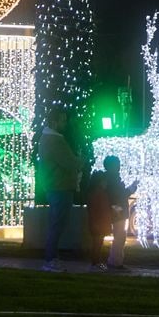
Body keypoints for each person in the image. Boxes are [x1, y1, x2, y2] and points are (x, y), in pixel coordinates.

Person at [37, 106, 83, 272]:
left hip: (56, 186)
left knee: (56, 224)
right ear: (54, 122)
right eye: (62, 120)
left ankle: (52, 258)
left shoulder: (48, 139)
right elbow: (70, 162)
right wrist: (80, 160)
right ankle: (50, 260)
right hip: (60, 187)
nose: (65, 123)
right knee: (57, 225)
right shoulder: (55, 140)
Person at [104, 155, 137, 270]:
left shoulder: (109, 178)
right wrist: (132, 188)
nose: (119, 166)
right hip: (118, 211)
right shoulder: (113, 179)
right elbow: (120, 194)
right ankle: (115, 262)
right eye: (117, 164)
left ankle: (115, 261)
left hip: (117, 210)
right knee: (120, 237)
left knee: (119, 237)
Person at [85, 167, 111, 271]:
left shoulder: (98, 193)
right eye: (104, 181)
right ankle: (95, 263)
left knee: (98, 244)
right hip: (98, 223)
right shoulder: (98, 193)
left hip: (99, 222)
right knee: (97, 244)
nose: (106, 183)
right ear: (99, 182)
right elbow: (95, 209)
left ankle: (96, 262)